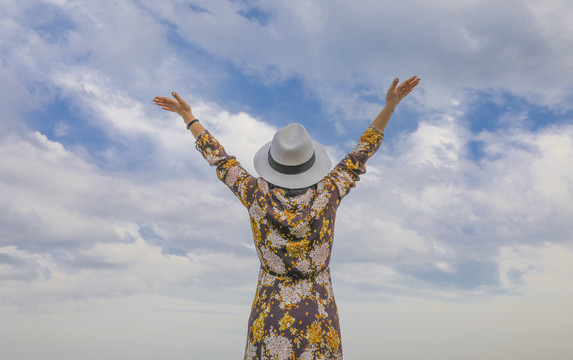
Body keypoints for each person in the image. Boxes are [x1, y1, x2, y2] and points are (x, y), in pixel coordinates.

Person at [153, 76, 420, 359]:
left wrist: (189, 118)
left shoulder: (254, 193)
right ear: (311, 163)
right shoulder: (329, 192)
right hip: (318, 310)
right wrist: (390, 107)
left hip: (270, 312)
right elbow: (360, 153)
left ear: (272, 163)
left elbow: (220, 160)